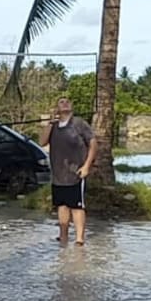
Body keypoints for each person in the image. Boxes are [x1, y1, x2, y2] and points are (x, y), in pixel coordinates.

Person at [39, 97, 97, 245]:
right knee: (62, 205)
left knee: (76, 206)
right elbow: (42, 141)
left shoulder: (79, 123)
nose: (64, 103)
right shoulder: (54, 126)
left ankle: (79, 238)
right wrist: (50, 123)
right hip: (58, 174)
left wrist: (86, 166)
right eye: (61, 102)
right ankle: (63, 235)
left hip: (76, 172)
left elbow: (92, 143)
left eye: (67, 101)